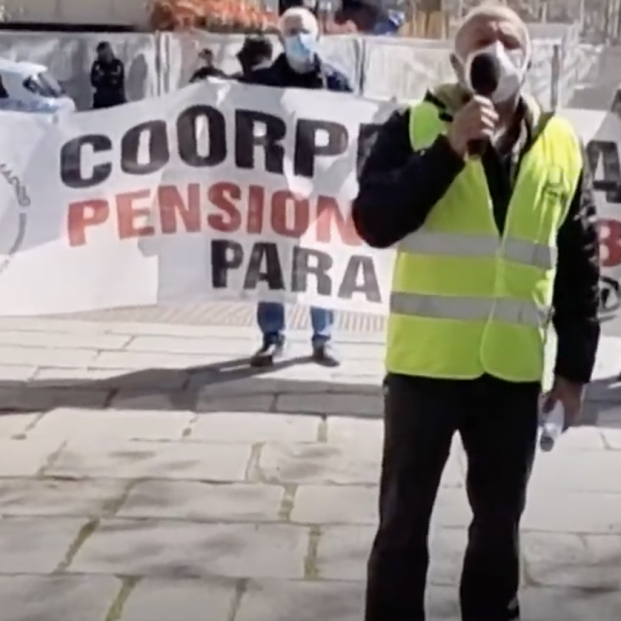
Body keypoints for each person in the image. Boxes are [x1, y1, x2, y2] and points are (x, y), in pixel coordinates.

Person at [352, 3, 601, 621]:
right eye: (481, 39)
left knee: (498, 529)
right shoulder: (412, 126)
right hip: (424, 371)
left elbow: (579, 266)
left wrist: (573, 374)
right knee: (403, 527)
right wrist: (447, 150)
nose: (497, 48)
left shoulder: (562, 145)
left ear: (529, 56)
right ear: (458, 61)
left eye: (509, 39)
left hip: (512, 377)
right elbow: (374, 221)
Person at [242, 6, 352, 368]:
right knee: (273, 266)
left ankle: (324, 338)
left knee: (321, 262)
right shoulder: (261, 83)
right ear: (279, 38)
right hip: (274, 187)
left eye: (304, 30)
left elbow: (354, 127)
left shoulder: (336, 82)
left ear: (317, 34)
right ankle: (272, 338)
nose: (298, 38)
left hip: (319, 189)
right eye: (290, 31)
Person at [90, 42, 126, 109]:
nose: (104, 57)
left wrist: (104, 77)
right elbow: (94, 81)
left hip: (118, 103)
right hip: (101, 104)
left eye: (106, 54)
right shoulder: (97, 65)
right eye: (101, 55)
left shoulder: (117, 64)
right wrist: (105, 78)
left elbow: (117, 82)